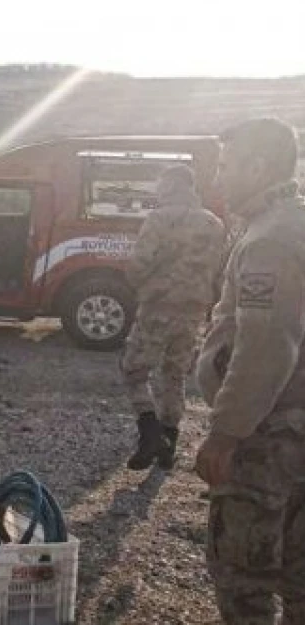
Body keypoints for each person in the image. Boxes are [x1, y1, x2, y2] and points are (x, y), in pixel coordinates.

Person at [195, 118, 305, 624]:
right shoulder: (289, 223)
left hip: (270, 437)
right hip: (289, 428)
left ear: (258, 167)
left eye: (225, 166)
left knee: (244, 583)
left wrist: (225, 433)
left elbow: (266, 345)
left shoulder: (272, 239)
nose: (218, 180)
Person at [120, 164, 226, 471]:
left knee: (133, 371)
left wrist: (138, 282)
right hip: (194, 310)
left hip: (159, 306)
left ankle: (150, 433)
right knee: (174, 374)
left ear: (169, 185)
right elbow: (220, 270)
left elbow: (139, 263)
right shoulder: (214, 223)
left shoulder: (159, 218)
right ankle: (169, 444)